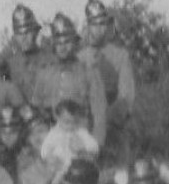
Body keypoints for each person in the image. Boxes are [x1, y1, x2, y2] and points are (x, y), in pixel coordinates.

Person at [29, 13, 110, 146]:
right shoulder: (44, 74)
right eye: (58, 43)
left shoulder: (89, 72)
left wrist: (95, 146)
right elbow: (37, 112)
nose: (63, 47)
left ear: (75, 42)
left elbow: (99, 115)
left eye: (67, 41)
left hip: (82, 138)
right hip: (52, 141)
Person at [81, 0, 138, 163]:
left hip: (114, 125)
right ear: (87, 26)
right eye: (94, 24)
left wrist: (106, 121)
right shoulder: (80, 58)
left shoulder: (120, 56)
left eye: (102, 24)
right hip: (86, 127)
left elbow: (126, 97)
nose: (99, 29)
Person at [6, 3, 54, 101]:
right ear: (14, 36)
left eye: (28, 32)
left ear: (35, 32)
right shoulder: (8, 64)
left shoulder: (50, 59)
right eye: (19, 33)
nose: (24, 38)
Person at [38, 98, 101, 173]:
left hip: (77, 167)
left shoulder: (81, 132)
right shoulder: (54, 133)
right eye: (67, 122)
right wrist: (49, 156)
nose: (71, 126)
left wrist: (83, 148)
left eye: (74, 122)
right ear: (58, 118)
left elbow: (94, 146)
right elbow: (45, 148)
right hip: (58, 165)